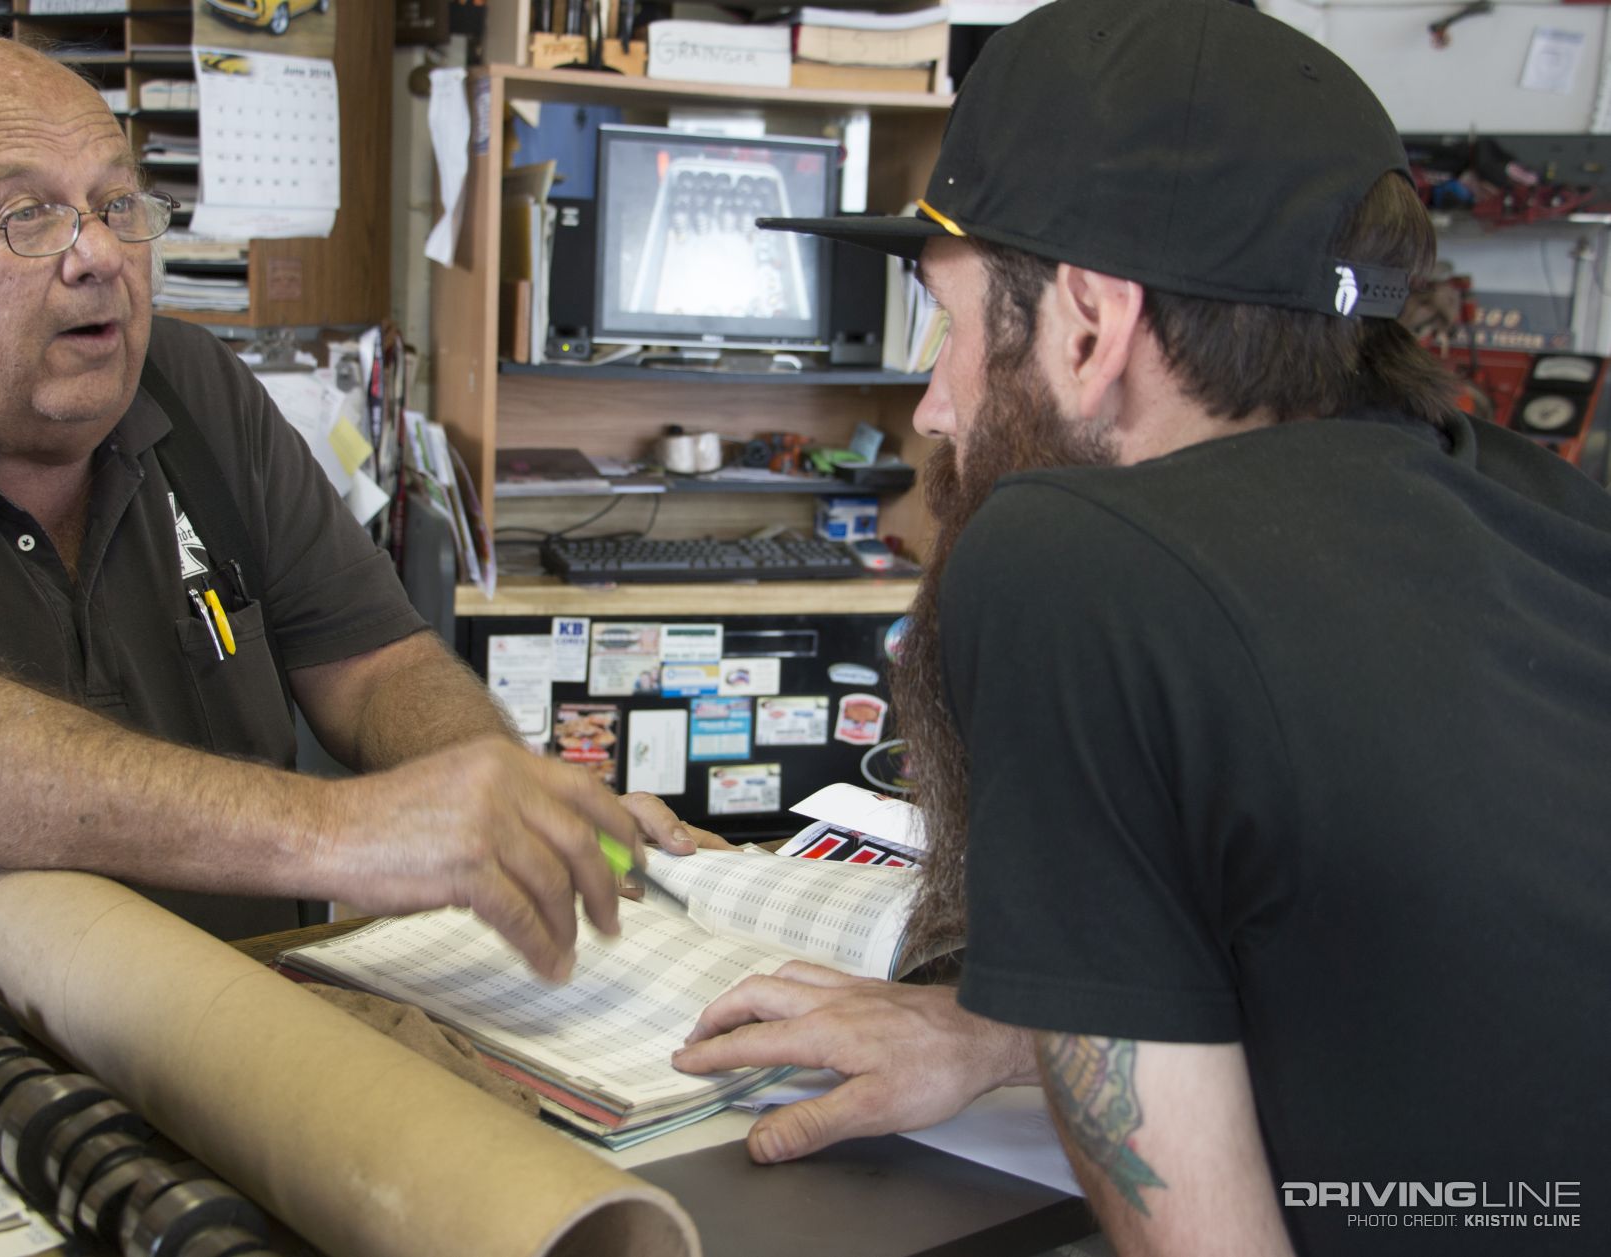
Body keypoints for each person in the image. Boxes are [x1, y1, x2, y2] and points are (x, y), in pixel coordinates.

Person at [670, 2, 1611, 1253]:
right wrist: (1022, 1023)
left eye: (949, 328)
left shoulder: (1073, 559)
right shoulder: (1528, 500)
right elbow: (1378, 937)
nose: (936, 411)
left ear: (1091, 325)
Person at [0, 34, 719, 1030]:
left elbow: (376, 670)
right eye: (26, 214)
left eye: (118, 205)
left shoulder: (194, 393)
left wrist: (509, 808)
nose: (101, 255)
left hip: (233, 1045)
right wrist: (333, 831)